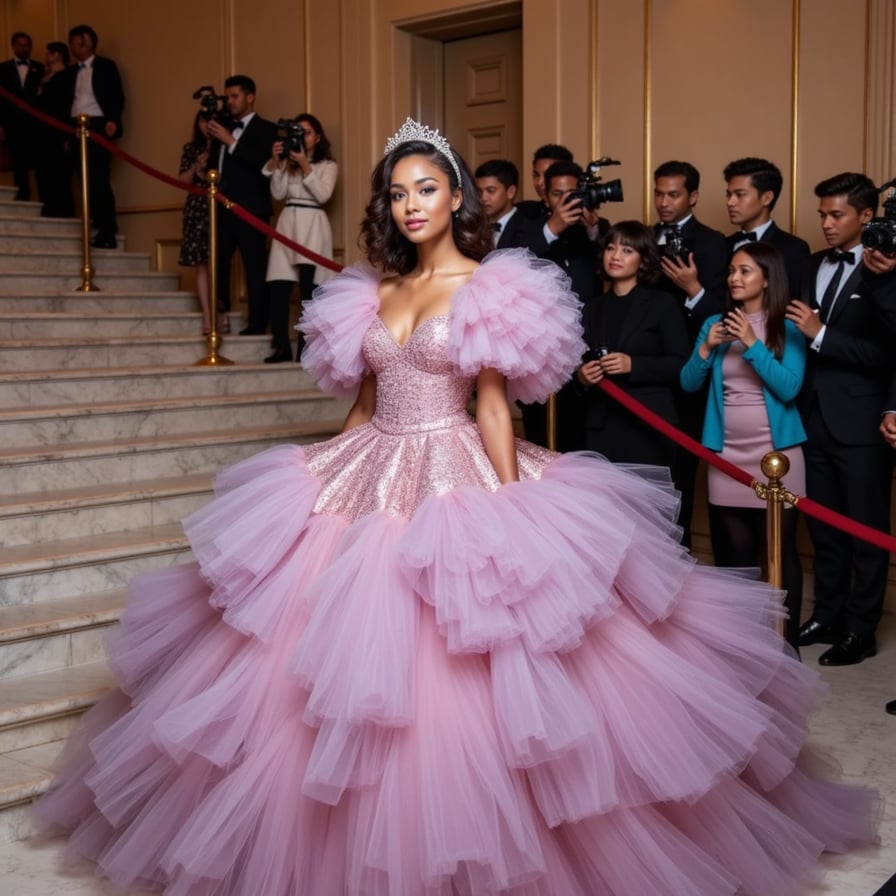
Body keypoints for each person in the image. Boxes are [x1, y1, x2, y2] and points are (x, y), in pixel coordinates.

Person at [34, 118, 877, 895]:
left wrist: (511, 506)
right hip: (370, 465)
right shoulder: (368, 290)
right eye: (397, 192)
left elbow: (493, 405)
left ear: (457, 197)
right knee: (316, 662)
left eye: (426, 188)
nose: (410, 205)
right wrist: (323, 465)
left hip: (459, 465)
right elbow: (365, 402)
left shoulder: (489, 285)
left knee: (483, 663)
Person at [786, 173, 894, 667]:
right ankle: (826, 614)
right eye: (822, 214)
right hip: (812, 416)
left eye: (837, 215)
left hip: (862, 422)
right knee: (823, 529)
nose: (826, 224)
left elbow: (886, 352)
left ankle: (860, 629)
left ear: (866, 216)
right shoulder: (810, 264)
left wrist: (820, 333)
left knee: (865, 531)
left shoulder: (886, 271)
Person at [680, 241, 807, 651]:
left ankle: (784, 644)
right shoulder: (715, 322)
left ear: (767, 278)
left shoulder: (789, 325)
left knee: (779, 553)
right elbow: (687, 383)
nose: (734, 278)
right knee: (733, 557)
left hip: (779, 460)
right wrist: (705, 348)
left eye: (745, 271)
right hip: (727, 457)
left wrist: (752, 343)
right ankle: (740, 645)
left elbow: (789, 388)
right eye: (732, 271)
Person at [653, 160, 728, 548]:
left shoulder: (715, 243)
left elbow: (726, 312)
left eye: (673, 194)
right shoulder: (645, 238)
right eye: (658, 194)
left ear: (693, 196)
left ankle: (676, 564)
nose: (663, 203)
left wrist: (692, 288)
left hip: (694, 376)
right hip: (644, 378)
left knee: (682, 475)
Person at [577, 220, 689, 467]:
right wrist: (583, 378)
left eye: (627, 250)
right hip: (602, 424)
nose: (616, 256)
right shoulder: (592, 308)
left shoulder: (662, 304)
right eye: (610, 248)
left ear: (644, 259)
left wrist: (633, 365)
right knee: (604, 503)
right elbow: (578, 366)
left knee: (646, 504)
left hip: (648, 422)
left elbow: (681, 364)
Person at [262, 113, 337, 363]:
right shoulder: (287, 163)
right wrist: (279, 162)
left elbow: (323, 195)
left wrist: (305, 165)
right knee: (278, 286)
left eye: (307, 132)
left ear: (317, 137)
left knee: (309, 291)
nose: (302, 136)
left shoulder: (328, 165)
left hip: (312, 225)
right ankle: (281, 346)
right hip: (287, 223)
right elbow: (278, 193)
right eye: (298, 131)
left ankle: (305, 351)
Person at [206, 74, 277, 335]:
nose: (230, 102)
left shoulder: (266, 129)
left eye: (235, 96)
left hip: (251, 208)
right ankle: (219, 317)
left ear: (250, 97)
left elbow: (262, 166)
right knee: (219, 264)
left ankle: (258, 324)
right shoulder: (221, 127)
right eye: (227, 97)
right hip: (221, 207)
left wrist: (231, 142)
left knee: (255, 266)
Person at [61, 24, 124, 248]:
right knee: (82, 180)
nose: (72, 47)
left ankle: (108, 229)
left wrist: (113, 121)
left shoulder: (106, 66)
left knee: (99, 179)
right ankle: (94, 224)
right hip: (74, 128)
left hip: (98, 126)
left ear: (86, 42)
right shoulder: (68, 73)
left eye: (75, 42)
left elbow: (117, 95)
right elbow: (63, 104)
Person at [724, 157, 810, 299]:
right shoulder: (721, 245)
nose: (730, 202)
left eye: (740, 195)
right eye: (728, 195)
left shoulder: (794, 248)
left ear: (766, 198)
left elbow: (794, 304)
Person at [177, 112, 213, 334]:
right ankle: (207, 317)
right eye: (201, 120)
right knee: (201, 263)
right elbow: (181, 181)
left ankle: (221, 310)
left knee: (220, 262)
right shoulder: (190, 149)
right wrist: (197, 168)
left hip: (218, 206)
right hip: (197, 207)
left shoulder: (225, 145)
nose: (205, 125)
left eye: (209, 120)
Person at [0, 31, 43, 201]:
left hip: (36, 126)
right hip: (12, 124)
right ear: (13, 46)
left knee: (41, 166)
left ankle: (44, 202)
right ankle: (23, 200)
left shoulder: (40, 68)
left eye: (27, 45)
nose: (24, 48)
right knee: (18, 166)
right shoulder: (2, 69)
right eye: (20, 44)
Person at [34, 41, 75, 218]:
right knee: (44, 171)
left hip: (59, 130)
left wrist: (67, 133)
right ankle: (48, 207)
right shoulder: (44, 75)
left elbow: (66, 105)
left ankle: (63, 211)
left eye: (49, 53)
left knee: (60, 173)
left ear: (58, 54)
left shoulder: (67, 75)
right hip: (43, 131)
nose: (46, 56)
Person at [474, 158, 531, 249]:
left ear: (510, 192)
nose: (483, 198)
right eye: (479, 191)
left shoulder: (527, 229)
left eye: (491, 191)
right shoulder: (475, 225)